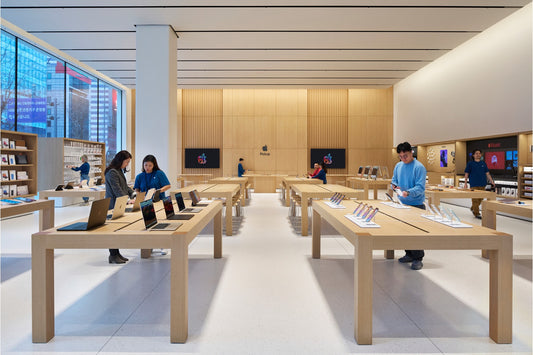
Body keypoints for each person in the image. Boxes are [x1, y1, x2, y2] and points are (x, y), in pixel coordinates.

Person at [391, 142, 427, 270]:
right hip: (402, 204)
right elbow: (394, 181)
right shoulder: (398, 166)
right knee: (404, 232)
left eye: (405, 155)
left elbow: (420, 187)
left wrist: (409, 192)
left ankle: (418, 258)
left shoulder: (419, 167)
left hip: (416, 204)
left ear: (411, 152)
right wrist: (395, 187)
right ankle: (409, 254)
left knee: (415, 233)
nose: (403, 158)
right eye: (400, 156)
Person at [134, 155, 171, 256]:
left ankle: (163, 245)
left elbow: (168, 185)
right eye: (146, 165)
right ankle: (148, 246)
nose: (147, 167)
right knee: (148, 225)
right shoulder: (140, 176)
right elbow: (137, 189)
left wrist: (159, 190)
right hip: (146, 204)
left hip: (159, 202)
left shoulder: (159, 173)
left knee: (160, 224)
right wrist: (137, 197)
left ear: (154, 165)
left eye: (150, 165)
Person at [105, 150, 134, 264]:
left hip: (119, 204)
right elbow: (117, 190)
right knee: (112, 230)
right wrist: (128, 200)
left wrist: (133, 194)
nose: (127, 164)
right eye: (126, 162)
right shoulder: (112, 172)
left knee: (116, 230)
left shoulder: (119, 171)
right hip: (113, 205)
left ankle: (116, 253)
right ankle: (113, 254)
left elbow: (125, 187)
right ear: (120, 160)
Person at [464, 149, 495, 219]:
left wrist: (491, 181)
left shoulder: (483, 163)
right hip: (473, 184)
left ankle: (473, 208)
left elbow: (487, 173)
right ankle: (477, 213)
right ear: (473, 155)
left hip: (483, 183)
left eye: (479, 153)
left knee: (480, 198)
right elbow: (466, 173)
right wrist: (465, 183)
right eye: (476, 153)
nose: (478, 155)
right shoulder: (470, 164)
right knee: (475, 199)